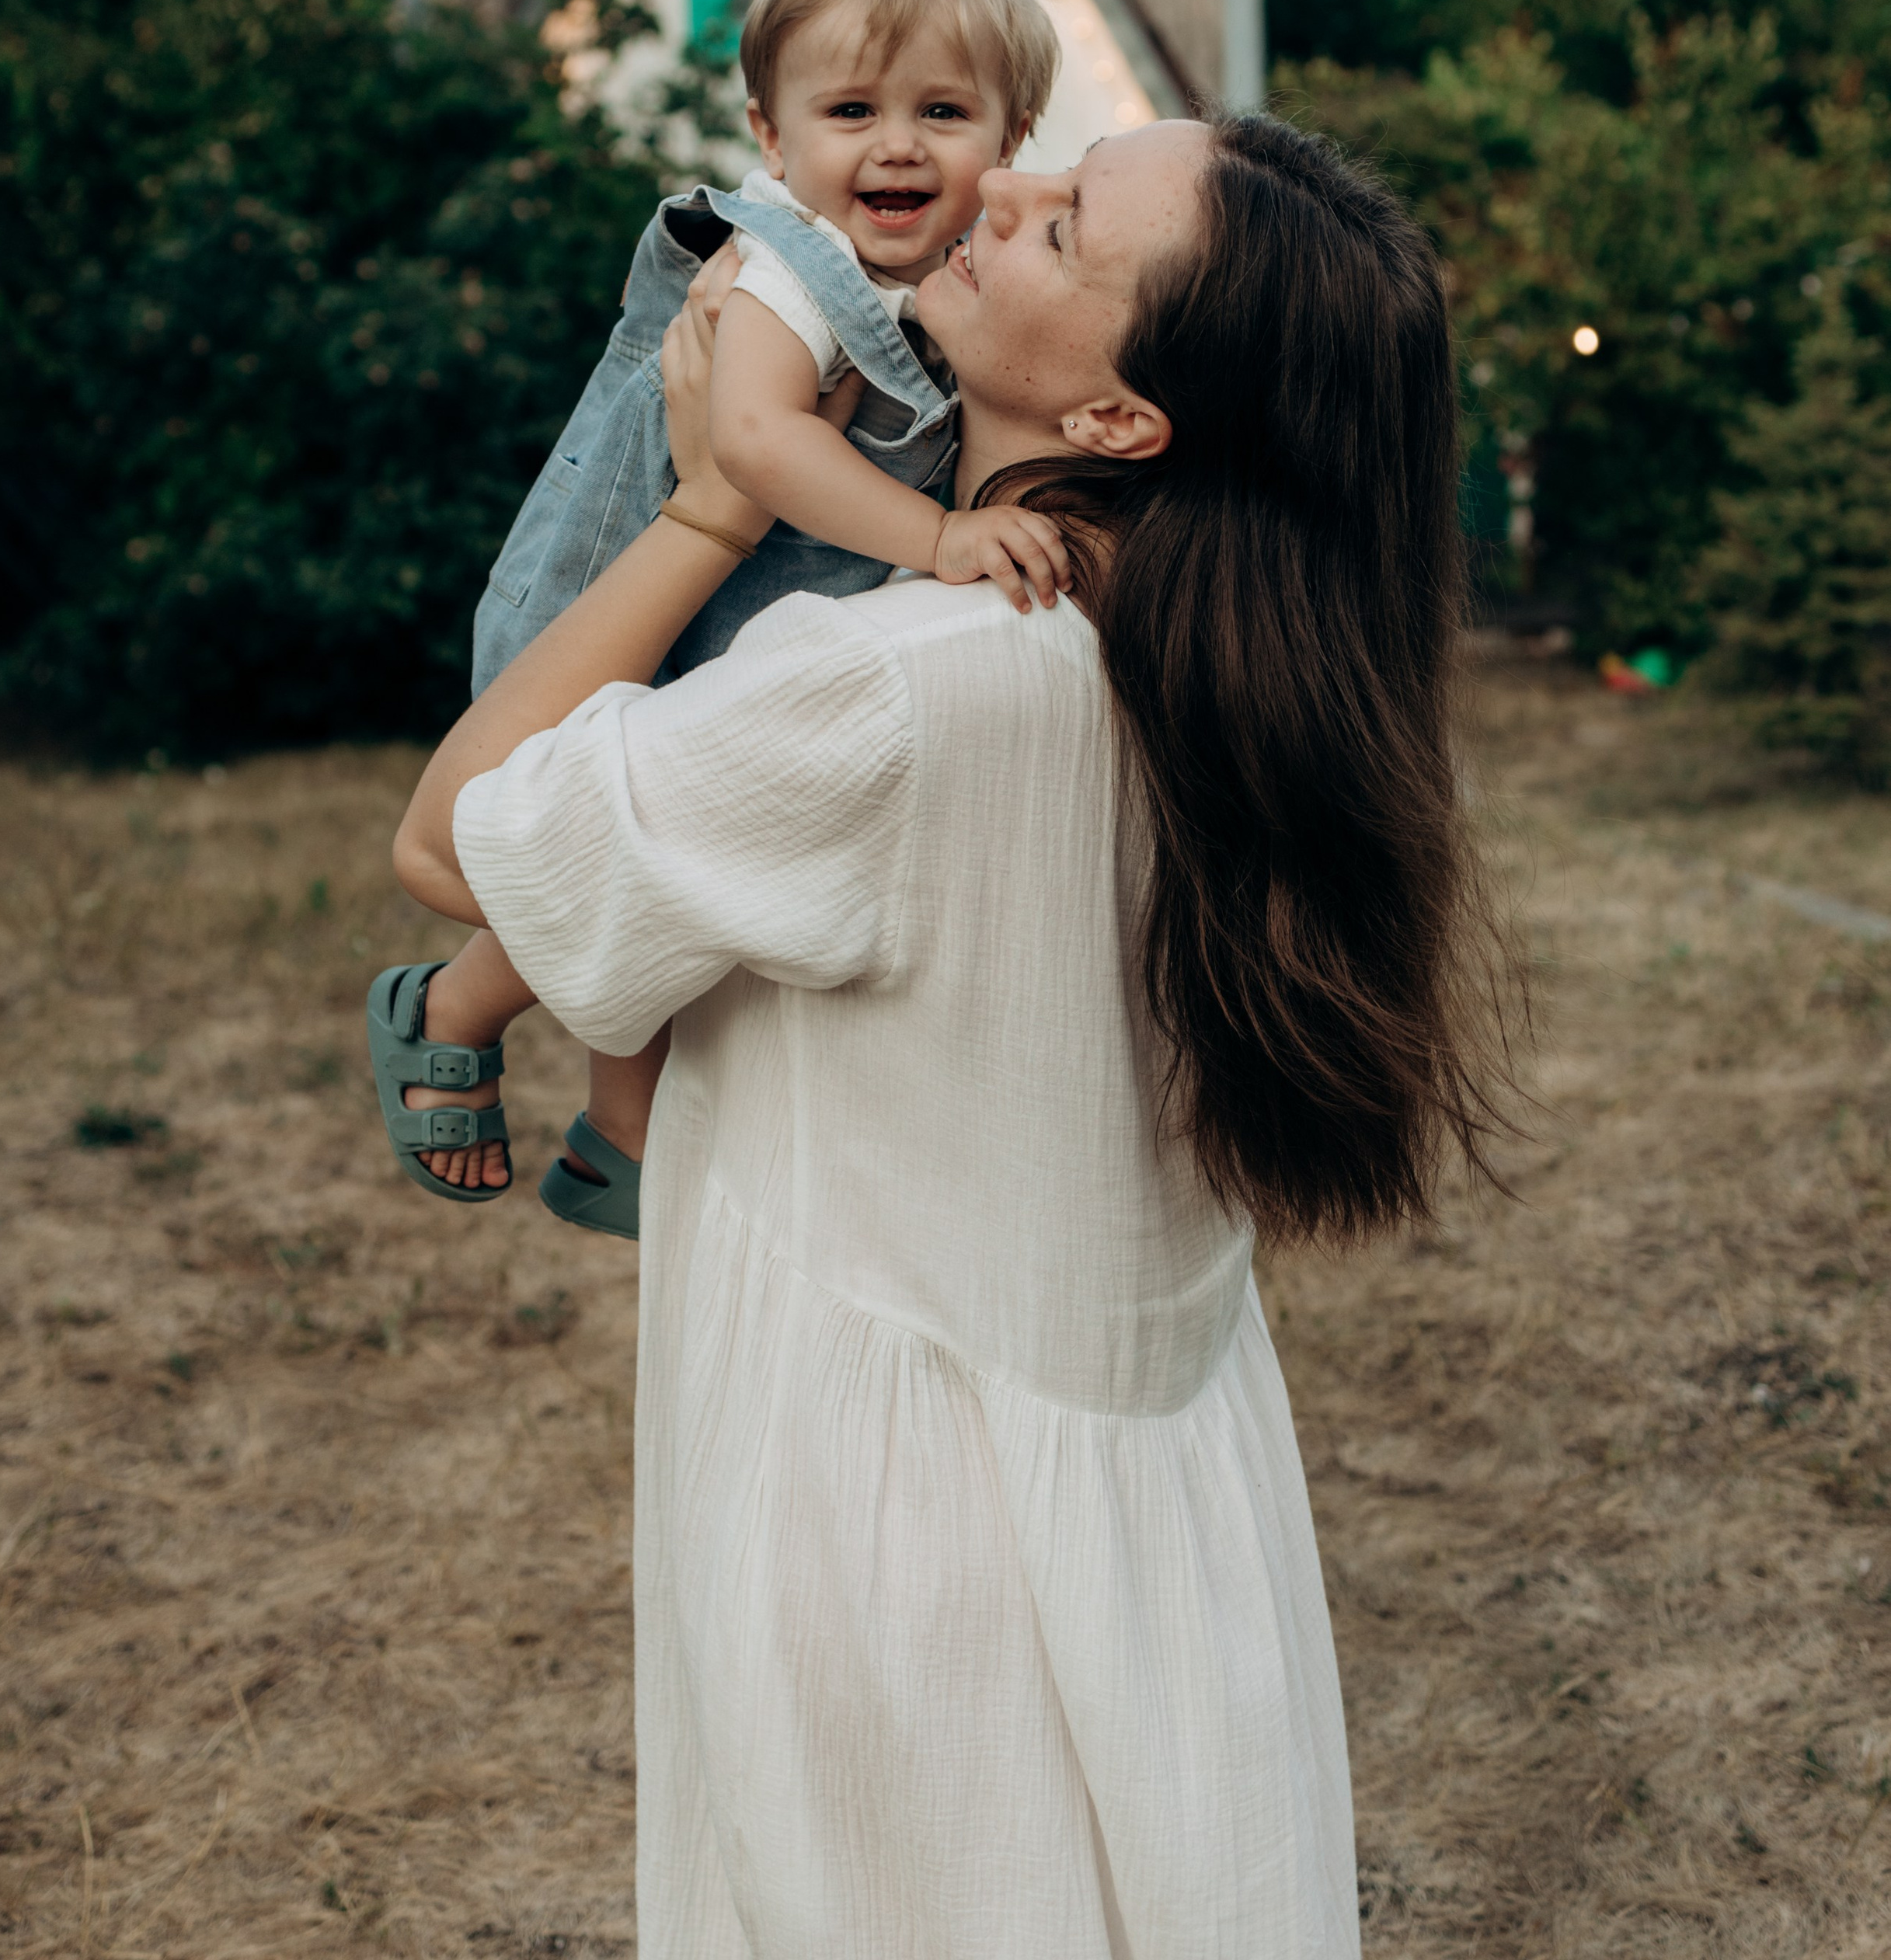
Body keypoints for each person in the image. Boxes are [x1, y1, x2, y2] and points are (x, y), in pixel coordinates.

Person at [393, 108, 1514, 1960]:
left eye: (1063, 227)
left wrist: (710, 501)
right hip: (1166, 1547)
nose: (997, 185)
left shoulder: (902, 684)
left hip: (898, 1570)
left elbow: (454, 840)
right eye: (1057, 166)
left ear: (1119, 419)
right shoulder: (1225, 658)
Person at [369, 0, 1068, 1229]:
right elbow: (750, 439)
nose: (897, 144)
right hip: (629, 598)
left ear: (1012, 136)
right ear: (771, 135)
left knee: (672, 855)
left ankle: (618, 1127)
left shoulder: (953, 283)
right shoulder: (790, 268)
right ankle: (455, 1007)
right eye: (851, 109)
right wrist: (937, 542)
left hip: (754, 618)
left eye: (943, 111)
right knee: (606, 842)